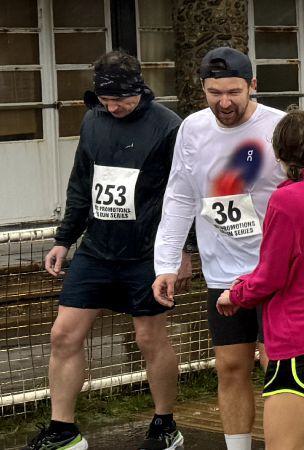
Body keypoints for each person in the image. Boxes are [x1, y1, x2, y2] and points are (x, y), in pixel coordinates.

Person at [31, 50, 185, 450]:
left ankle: (165, 422)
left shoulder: (169, 126)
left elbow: (184, 193)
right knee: (63, 334)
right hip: (97, 250)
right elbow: (82, 183)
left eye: (122, 99)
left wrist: (182, 251)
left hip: (147, 253)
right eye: (106, 99)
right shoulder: (93, 119)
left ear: (140, 90)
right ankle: (64, 430)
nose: (114, 107)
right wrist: (64, 239)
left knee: (150, 337)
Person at [151, 47, 288, 450]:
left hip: (274, 269)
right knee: (229, 366)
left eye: (233, 92)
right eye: (214, 93)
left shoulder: (279, 127)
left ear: (252, 86)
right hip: (222, 270)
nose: (224, 102)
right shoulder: (192, 129)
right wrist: (167, 262)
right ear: (203, 89)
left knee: (278, 367)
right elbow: (179, 196)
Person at [215, 111, 304, 450]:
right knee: (302, 441)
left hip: (301, 346)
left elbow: (270, 277)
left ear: (278, 154)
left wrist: (234, 294)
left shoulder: (285, 199)